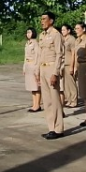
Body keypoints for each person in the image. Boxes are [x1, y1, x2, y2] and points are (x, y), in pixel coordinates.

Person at [36, 11, 66, 139]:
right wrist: (37, 72)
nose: (42, 21)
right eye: (41, 19)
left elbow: (60, 54)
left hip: (51, 68)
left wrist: (55, 73)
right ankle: (51, 128)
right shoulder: (42, 35)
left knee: (55, 100)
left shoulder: (56, 34)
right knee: (47, 101)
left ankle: (58, 129)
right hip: (43, 69)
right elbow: (40, 54)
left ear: (51, 21)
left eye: (44, 19)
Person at [61, 24, 79, 108]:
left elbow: (73, 53)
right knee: (65, 84)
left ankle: (74, 100)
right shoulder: (63, 39)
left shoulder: (71, 39)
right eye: (62, 30)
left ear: (68, 31)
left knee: (71, 83)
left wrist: (72, 66)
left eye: (64, 30)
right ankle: (68, 99)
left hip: (69, 63)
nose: (62, 32)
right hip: (63, 63)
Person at [23, 28, 41, 112]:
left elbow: (38, 56)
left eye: (29, 32)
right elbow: (25, 56)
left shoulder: (35, 43)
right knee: (31, 87)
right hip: (28, 65)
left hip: (34, 65)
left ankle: (37, 105)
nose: (28, 34)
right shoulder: (27, 43)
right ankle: (34, 104)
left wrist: (36, 68)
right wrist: (24, 67)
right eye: (27, 32)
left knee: (36, 87)